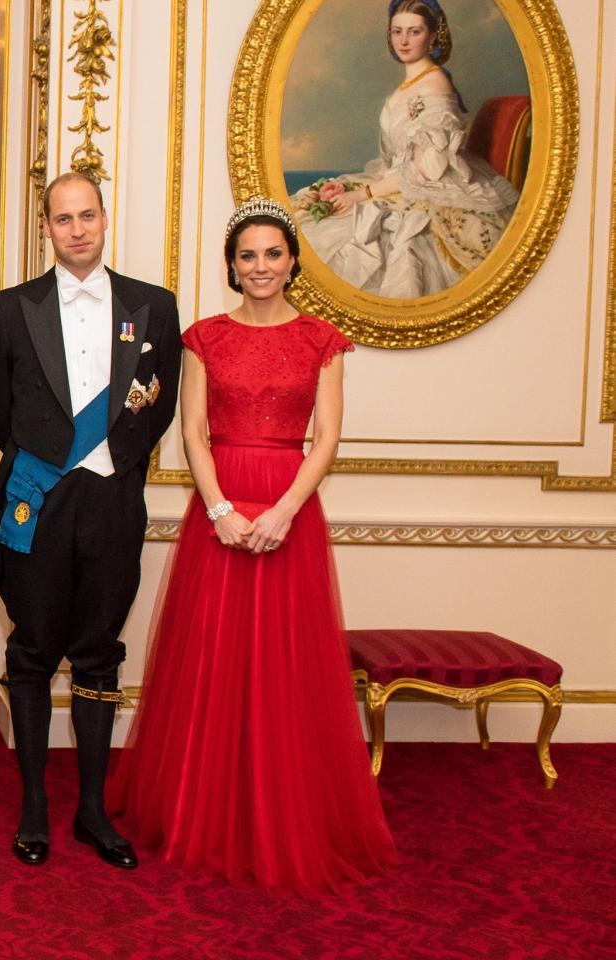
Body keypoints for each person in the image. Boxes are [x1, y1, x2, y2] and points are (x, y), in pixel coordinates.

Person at [108, 199, 398, 891]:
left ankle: (282, 812)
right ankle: (201, 810)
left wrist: (284, 512)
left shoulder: (323, 341)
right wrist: (220, 509)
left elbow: (326, 438)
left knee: (285, 664)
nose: (260, 266)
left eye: (272, 254)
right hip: (223, 508)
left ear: (293, 261)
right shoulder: (204, 337)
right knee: (213, 658)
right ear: (232, 266)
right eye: (248, 256)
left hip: (289, 507)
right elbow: (194, 433)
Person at [0, 171, 182, 870]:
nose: (77, 229)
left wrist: (110, 463)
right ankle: (34, 805)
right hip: (37, 496)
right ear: (47, 227)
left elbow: (161, 406)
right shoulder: (12, 307)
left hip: (113, 499)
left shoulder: (154, 306)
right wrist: (50, 460)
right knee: (32, 650)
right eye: (63, 219)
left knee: (98, 651)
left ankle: (92, 808)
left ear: (104, 217)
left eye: (87, 215)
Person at [289, 0, 518, 299]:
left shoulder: (435, 85)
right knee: (310, 216)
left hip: (431, 189)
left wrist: (364, 194)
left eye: (415, 31)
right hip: (403, 181)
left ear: (433, 35)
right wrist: (355, 185)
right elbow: (396, 161)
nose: (404, 41)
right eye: (397, 31)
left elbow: (424, 169)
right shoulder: (408, 84)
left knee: (359, 239)